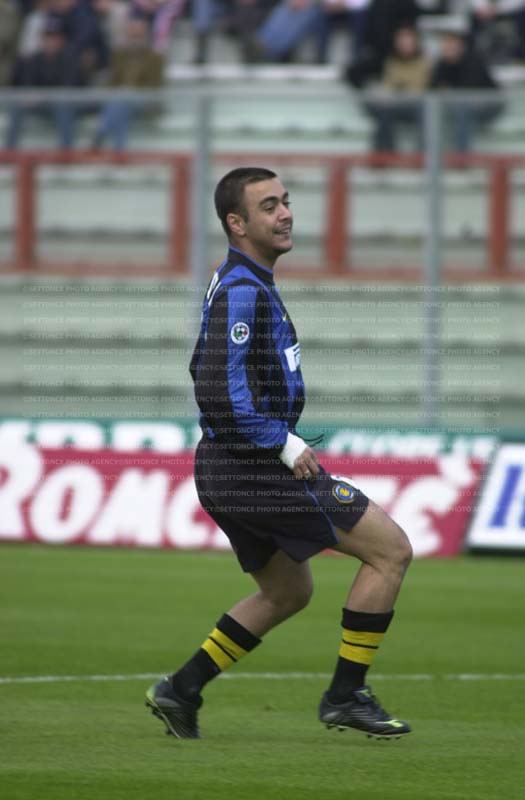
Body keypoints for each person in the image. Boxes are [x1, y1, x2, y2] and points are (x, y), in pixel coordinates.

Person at [145, 167, 413, 741]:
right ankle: (345, 695)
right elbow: (216, 388)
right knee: (390, 551)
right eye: (268, 206)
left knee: (289, 591)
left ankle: (181, 690)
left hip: (227, 466)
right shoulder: (242, 289)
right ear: (237, 223)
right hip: (253, 467)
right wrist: (284, 443)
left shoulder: (246, 280)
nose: (286, 213)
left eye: (285, 201)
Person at [4, 17, 87, 150]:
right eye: (47, 37)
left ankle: (65, 153)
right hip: (41, 105)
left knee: (63, 106)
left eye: (53, 37)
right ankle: (10, 151)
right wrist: (30, 96)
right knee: (17, 105)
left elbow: (70, 88)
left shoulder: (71, 60)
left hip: (65, 106)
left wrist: (44, 96)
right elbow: (26, 84)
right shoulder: (32, 60)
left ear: (61, 39)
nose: (50, 41)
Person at [90, 16, 164, 151]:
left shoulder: (155, 57)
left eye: (138, 34)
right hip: (120, 99)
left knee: (120, 103)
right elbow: (111, 82)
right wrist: (121, 91)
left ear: (145, 35)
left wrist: (134, 92)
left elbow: (157, 85)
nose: (135, 37)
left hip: (144, 101)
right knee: (120, 106)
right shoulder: (119, 54)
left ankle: (101, 131)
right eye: (132, 34)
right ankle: (120, 151)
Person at [430, 30, 504, 152]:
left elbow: (468, 90)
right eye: (446, 47)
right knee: (438, 111)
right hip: (460, 105)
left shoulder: (473, 61)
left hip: (490, 104)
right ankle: (431, 152)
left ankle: (461, 155)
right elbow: (434, 87)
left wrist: (449, 90)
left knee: (462, 110)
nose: (449, 50)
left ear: (461, 47)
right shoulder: (442, 64)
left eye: (453, 46)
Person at [364, 25, 432, 152]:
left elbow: (419, 87)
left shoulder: (424, 62)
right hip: (396, 104)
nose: (404, 44)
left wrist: (401, 88)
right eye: (401, 41)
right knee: (382, 111)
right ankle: (386, 153)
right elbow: (388, 85)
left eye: (408, 41)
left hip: (416, 105)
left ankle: (423, 154)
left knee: (426, 113)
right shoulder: (391, 61)